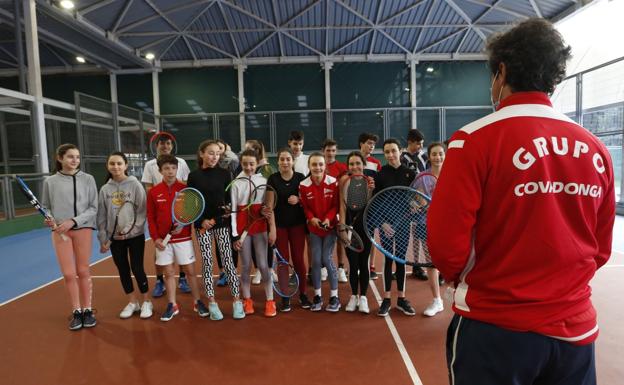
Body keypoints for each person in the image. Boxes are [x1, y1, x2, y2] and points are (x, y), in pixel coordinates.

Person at [427, 19, 614, 385]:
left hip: (495, 328)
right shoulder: (596, 149)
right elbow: (601, 248)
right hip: (574, 332)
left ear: (501, 72)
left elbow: (445, 244)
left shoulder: (472, 141)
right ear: (554, 79)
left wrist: (461, 276)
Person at [42, 143, 98, 330]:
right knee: (68, 274)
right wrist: (49, 218)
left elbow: (93, 208)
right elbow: (46, 206)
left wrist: (73, 221)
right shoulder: (50, 182)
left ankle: (88, 310)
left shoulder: (88, 179)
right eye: (70, 157)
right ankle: (76, 311)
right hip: (60, 233)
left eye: (77, 157)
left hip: (83, 229)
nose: (75, 160)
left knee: (83, 271)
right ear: (60, 158)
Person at [187, 140, 245, 320]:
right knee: (207, 262)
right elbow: (191, 203)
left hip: (221, 224)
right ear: (202, 154)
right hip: (202, 226)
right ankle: (212, 303)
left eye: (217, 154)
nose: (214, 157)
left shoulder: (225, 174)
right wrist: (202, 221)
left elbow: (228, 201)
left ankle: (237, 301)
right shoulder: (193, 176)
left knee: (228, 261)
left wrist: (223, 214)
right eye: (210, 153)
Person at [146, 155, 208, 322]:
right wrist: (156, 238)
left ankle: (197, 302)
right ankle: (172, 305)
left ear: (177, 169)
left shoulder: (185, 190)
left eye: (173, 168)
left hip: (183, 239)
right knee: (168, 273)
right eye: (166, 168)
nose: (170, 171)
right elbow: (150, 217)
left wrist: (184, 224)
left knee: (190, 272)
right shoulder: (153, 192)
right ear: (160, 171)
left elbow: (191, 212)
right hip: (163, 241)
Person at [97, 152, 152, 319]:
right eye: (112, 164)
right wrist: (104, 238)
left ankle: (146, 302)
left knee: (137, 268)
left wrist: (130, 230)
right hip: (114, 239)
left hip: (135, 236)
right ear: (108, 166)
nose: (116, 167)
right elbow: (101, 216)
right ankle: (132, 302)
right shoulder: (105, 189)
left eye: (119, 163)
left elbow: (142, 211)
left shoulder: (135, 185)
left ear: (126, 165)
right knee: (123, 269)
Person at [141, 132, 191, 297]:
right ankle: (160, 280)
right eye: (162, 143)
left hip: (178, 212)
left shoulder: (181, 162)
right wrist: (160, 199)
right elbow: (149, 188)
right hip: (160, 210)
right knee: (159, 249)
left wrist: (179, 208)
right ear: (157, 146)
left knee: (181, 249)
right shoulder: (149, 165)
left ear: (172, 145)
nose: (165, 146)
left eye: (168, 143)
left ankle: (182, 278)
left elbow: (185, 185)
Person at [232, 149, 277, 317]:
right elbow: (234, 212)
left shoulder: (263, 181)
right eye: (245, 164)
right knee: (245, 267)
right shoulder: (236, 182)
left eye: (252, 164)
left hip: (259, 228)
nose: (249, 167)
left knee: (264, 265)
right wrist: (236, 235)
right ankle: (247, 300)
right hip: (243, 230)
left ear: (257, 163)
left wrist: (268, 217)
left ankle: (270, 301)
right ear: (241, 164)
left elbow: (267, 206)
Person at [374, 138, 416, 317]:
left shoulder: (410, 174)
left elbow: (415, 198)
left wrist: (414, 203)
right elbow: (375, 202)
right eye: (387, 152)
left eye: (393, 151)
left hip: (404, 224)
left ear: (400, 151)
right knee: (387, 260)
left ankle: (401, 298)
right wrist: (382, 223)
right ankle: (386, 299)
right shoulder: (380, 174)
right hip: (386, 225)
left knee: (400, 259)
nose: (390, 155)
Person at [267, 148, 311, 311]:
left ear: (293, 161)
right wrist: (272, 229)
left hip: (298, 225)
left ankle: (303, 294)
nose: (285, 162)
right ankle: (285, 296)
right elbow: (269, 206)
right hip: (280, 227)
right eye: (282, 159)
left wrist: (299, 199)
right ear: (277, 162)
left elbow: (308, 201)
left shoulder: (300, 178)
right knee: (283, 261)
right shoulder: (272, 179)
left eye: (288, 159)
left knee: (299, 260)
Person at [299, 152, 340, 312]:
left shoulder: (333, 183)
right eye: (314, 164)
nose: (317, 167)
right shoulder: (303, 185)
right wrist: (311, 218)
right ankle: (317, 295)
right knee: (315, 260)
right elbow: (305, 207)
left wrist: (329, 219)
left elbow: (335, 206)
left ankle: (334, 297)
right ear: (309, 166)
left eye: (320, 164)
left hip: (329, 228)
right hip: (314, 229)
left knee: (326, 258)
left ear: (325, 166)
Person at [411, 142, 446, 317]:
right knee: (431, 263)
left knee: (454, 262)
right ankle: (437, 300)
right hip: (426, 224)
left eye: (440, 154)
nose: (437, 157)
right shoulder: (421, 177)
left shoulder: (453, 176)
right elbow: (411, 198)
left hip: (449, 226)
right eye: (434, 154)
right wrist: (416, 203)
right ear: (429, 156)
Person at [338, 151, 374, 314]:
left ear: (363, 164)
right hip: (349, 229)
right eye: (351, 164)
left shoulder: (370, 182)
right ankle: (353, 296)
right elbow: (342, 206)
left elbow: (370, 206)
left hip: (366, 228)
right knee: (353, 264)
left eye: (358, 163)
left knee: (364, 263)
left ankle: (363, 297)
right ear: (348, 166)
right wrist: (343, 228)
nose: (355, 166)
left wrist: (372, 190)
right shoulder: (344, 181)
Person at [400, 129, 429, 282]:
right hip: (409, 202)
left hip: (425, 201)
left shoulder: (424, 157)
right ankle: (415, 265)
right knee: (413, 234)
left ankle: (427, 264)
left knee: (423, 235)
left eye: (421, 144)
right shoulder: (402, 158)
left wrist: (424, 200)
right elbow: (403, 183)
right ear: (410, 142)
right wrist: (410, 200)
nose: (420, 147)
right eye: (418, 144)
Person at [322, 139, 349, 284]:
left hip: (339, 209)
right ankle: (324, 267)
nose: (331, 153)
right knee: (324, 240)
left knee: (340, 239)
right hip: (323, 210)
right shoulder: (319, 166)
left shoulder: (342, 167)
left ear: (336, 151)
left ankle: (340, 268)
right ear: (323, 151)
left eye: (333, 150)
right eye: (328, 150)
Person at [358, 132, 381, 279]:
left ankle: (371, 266)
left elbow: (377, 185)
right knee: (355, 237)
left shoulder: (376, 163)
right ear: (361, 143)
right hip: (354, 206)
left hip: (371, 206)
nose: (371, 146)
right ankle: (357, 265)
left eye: (373, 144)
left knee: (371, 237)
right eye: (368, 143)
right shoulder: (354, 159)